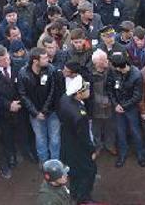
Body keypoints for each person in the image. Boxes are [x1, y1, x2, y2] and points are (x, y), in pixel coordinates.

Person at [17, 47, 60, 166]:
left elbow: (53, 91)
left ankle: (55, 164)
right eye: (44, 58)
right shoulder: (23, 73)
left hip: (51, 111)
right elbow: (23, 95)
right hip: (34, 113)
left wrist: (45, 110)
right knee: (40, 139)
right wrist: (35, 113)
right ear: (35, 61)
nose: (48, 59)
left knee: (55, 139)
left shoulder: (51, 70)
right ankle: (44, 163)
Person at [57, 75, 97, 204]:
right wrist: (92, 150)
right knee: (88, 172)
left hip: (67, 144)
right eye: (86, 88)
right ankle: (83, 198)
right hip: (79, 149)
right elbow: (84, 137)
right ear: (79, 93)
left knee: (73, 172)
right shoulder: (80, 115)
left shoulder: (65, 99)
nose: (88, 90)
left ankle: (74, 193)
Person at [107, 53, 145, 167]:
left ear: (119, 66)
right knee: (120, 132)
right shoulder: (113, 72)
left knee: (136, 132)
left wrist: (123, 106)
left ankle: (140, 154)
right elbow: (110, 89)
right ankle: (122, 154)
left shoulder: (136, 75)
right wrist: (116, 104)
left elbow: (137, 96)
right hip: (118, 107)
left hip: (131, 108)